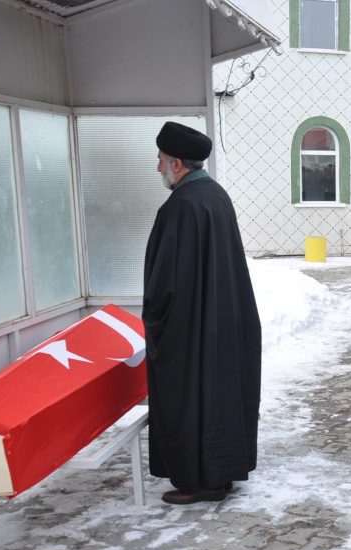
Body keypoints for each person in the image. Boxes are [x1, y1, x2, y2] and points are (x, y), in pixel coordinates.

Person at [144, 121, 261, 505]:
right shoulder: (214, 195)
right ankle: (218, 475)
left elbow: (166, 283)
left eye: (161, 159)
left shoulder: (182, 206)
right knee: (219, 396)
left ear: (177, 163)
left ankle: (197, 481)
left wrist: (157, 320)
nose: (157, 166)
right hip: (222, 321)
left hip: (191, 329)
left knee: (193, 398)